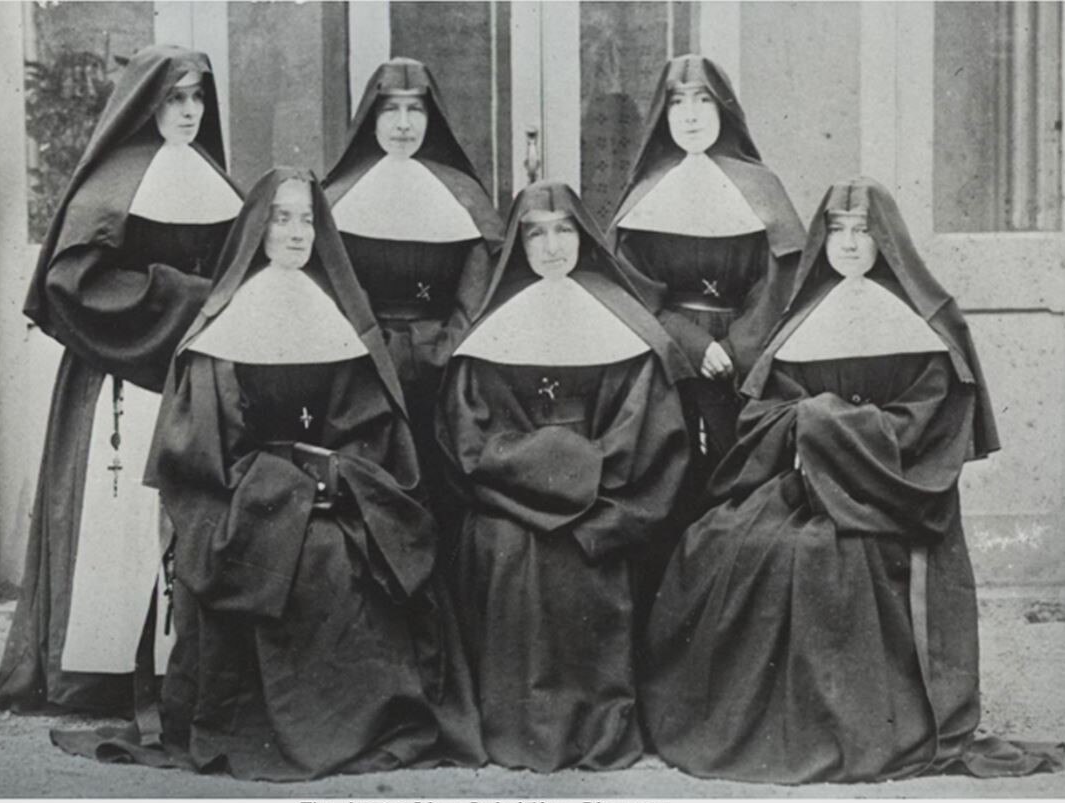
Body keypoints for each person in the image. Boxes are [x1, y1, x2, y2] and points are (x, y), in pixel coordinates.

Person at [53, 168, 484, 781]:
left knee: (343, 556)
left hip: (341, 503)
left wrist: (339, 479)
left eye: (307, 218)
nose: (295, 231)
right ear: (258, 229)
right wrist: (284, 488)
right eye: (281, 217)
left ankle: (355, 722)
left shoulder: (343, 324)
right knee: (306, 557)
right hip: (247, 511)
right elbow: (201, 455)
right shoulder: (223, 328)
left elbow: (374, 436)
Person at [640, 177, 1064, 783]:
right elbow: (764, 415)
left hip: (892, 492)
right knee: (724, 547)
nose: (848, 242)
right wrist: (811, 426)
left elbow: (930, 424)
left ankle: (852, 723)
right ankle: (773, 722)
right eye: (836, 230)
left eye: (861, 229)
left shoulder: (925, 321)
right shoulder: (804, 316)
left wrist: (826, 423)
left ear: (884, 240)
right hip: (804, 485)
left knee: (825, 557)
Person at [0, 45, 242, 716]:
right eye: (174, 97)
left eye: (196, 98)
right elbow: (73, 282)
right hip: (122, 373)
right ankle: (102, 674)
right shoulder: (114, 181)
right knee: (116, 521)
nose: (187, 110)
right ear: (146, 103)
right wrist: (184, 297)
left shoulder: (211, 177)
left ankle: (174, 668)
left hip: (192, 374)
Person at [437, 181, 693, 772]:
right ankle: (516, 727)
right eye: (535, 233)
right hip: (509, 508)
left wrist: (567, 484)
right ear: (517, 246)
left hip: (604, 506)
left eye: (563, 230)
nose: (551, 246)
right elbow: (468, 444)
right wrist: (562, 476)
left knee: (580, 559)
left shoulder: (626, 330)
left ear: (584, 238)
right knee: (507, 546)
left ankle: (594, 725)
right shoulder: (488, 334)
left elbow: (646, 439)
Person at [607, 54, 805, 516]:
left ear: (724, 110)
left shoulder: (761, 187)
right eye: (678, 102)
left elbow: (778, 283)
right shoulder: (647, 192)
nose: (690, 115)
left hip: (748, 354)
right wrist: (693, 346)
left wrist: (736, 350)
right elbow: (630, 292)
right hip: (668, 353)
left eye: (703, 100)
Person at [324, 57, 502, 533]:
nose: (403, 124)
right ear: (371, 118)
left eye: (415, 110)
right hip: (367, 363)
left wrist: (447, 345)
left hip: (446, 363)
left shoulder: (463, 194)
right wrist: (374, 347)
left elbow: (478, 283)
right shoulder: (339, 196)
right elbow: (337, 282)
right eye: (390, 110)